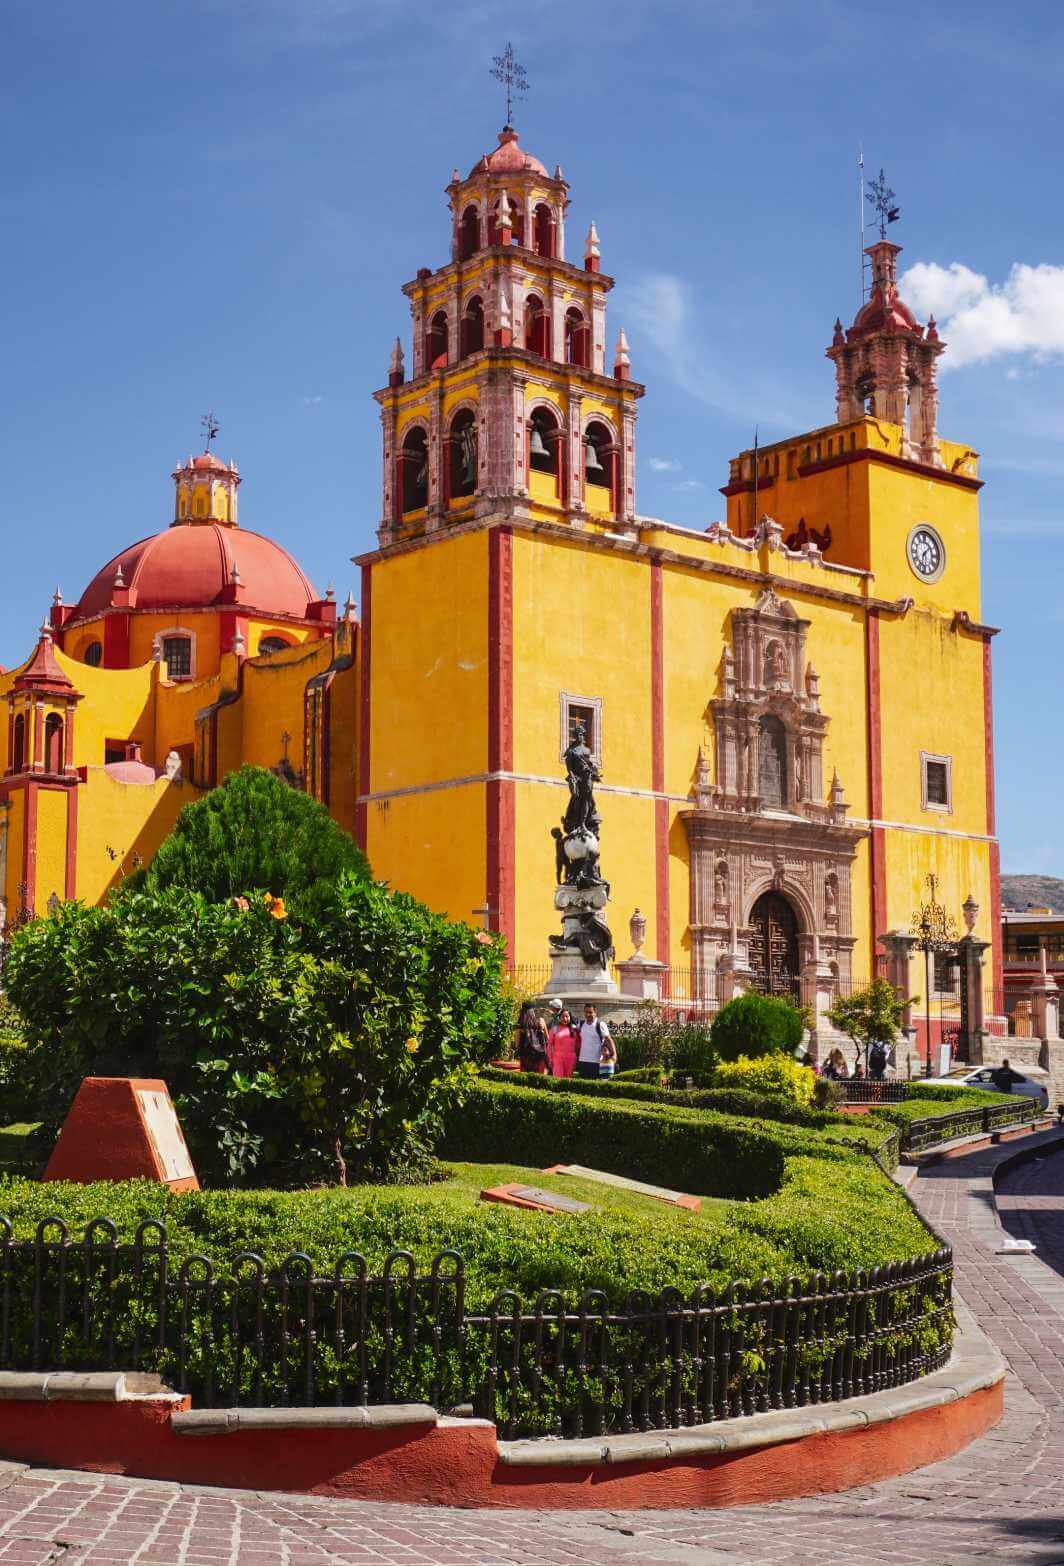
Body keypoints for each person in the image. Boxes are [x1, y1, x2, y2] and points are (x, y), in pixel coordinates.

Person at [576, 1003, 613, 1081]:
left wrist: (614, 1054)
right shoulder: (581, 1024)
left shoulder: (600, 1025)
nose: (588, 1014)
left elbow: (609, 1040)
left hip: (596, 1061)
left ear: (595, 1013)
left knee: (596, 1084)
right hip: (583, 1060)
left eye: (590, 1012)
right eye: (586, 1012)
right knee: (583, 1085)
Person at [516, 1003, 548, 1074]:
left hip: (525, 1053)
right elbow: (547, 1038)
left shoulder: (520, 1023)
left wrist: (517, 1049)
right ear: (533, 1010)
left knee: (525, 1075)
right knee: (540, 1075)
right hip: (540, 1052)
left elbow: (517, 1042)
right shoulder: (541, 1021)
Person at [547, 1008, 578, 1079]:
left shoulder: (574, 1030)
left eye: (567, 1016)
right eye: (563, 1016)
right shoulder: (554, 1029)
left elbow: (578, 1044)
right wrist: (550, 1058)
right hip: (557, 1058)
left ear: (570, 1017)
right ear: (559, 1018)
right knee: (558, 1078)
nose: (565, 1018)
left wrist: (576, 1057)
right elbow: (549, 1045)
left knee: (568, 1079)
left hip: (570, 1058)